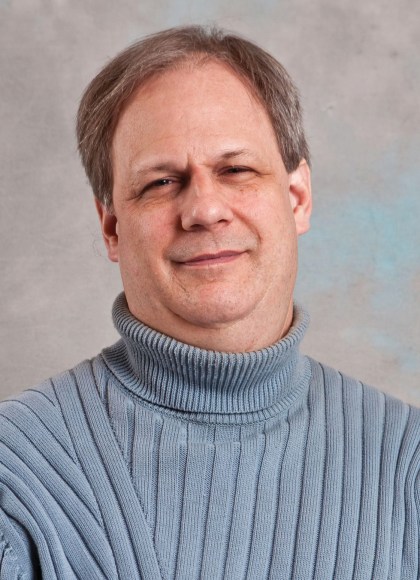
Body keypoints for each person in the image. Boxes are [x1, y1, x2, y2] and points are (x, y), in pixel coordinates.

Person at [0, 25, 419, 580]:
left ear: (297, 198)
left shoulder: (407, 462)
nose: (204, 210)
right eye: (161, 182)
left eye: (236, 170)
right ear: (111, 227)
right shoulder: (16, 476)